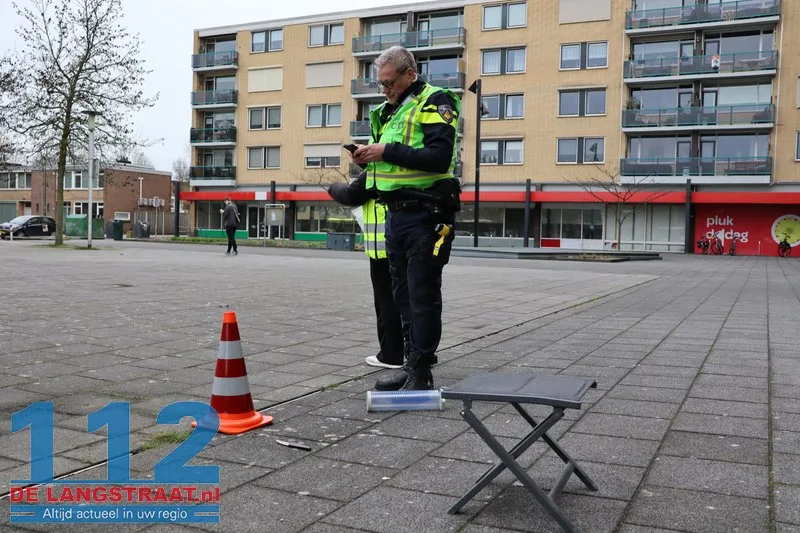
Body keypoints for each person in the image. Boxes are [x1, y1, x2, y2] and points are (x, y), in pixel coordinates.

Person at [348, 45, 461, 391]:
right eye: (380, 84)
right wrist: (368, 158)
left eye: (388, 83)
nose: (384, 90)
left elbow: (439, 157)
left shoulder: (434, 101)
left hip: (427, 216)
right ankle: (411, 363)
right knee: (402, 296)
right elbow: (390, 161)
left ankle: (422, 371)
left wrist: (384, 150)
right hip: (395, 217)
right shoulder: (386, 112)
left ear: (409, 74)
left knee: (422, 294)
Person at [327, 171, 405, 369]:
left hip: (383, 247)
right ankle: (421, 354)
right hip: (411, 242)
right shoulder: (412, 163)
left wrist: (332, 187)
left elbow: (351, 194)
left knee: (386, 300)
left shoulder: (379, 168)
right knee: (415, 299)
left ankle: (391, 354)